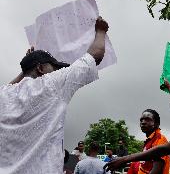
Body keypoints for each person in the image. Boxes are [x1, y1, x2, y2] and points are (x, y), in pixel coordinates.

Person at [0, 17, 109, 174]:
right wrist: (101, 31)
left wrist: (26, 67)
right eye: (53, 66)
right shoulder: (52, 85)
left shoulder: (4, 95)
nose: (57, 70)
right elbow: (94, 56)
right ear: (40, 68)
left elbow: (10, 86)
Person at [137, 109, 170, 174]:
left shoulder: (160, 139)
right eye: (141, 120)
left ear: (156, 123)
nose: (143, 122)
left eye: (147, 119)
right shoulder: (149, 140)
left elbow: (157, 170)